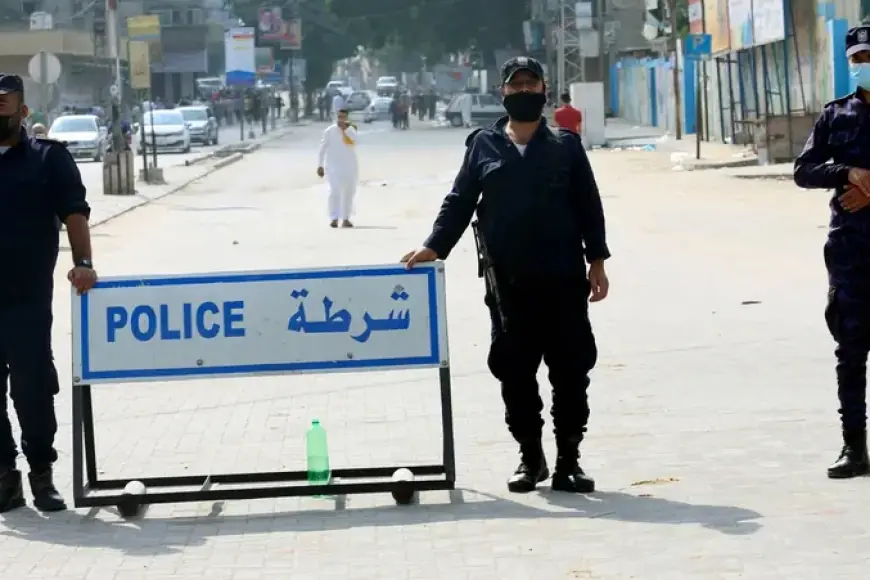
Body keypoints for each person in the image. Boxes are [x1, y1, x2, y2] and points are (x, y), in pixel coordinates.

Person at [400, 56, 610, 494]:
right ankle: (530, 458)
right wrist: (434, 246)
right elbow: (459, 201)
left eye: (531, 84)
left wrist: (597, 262)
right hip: (508, 284)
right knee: (514, 371)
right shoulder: (483, 145)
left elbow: (590, 205)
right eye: (516, 86)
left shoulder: (566, 146)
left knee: (570, 371)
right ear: (504, 93)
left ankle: (569, 461)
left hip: (563, 280)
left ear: (544, 90)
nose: (524, 91)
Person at [0, 74, 97, 513]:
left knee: (33, 386)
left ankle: (42, 473)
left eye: (6, 100)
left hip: (26, 297)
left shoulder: (48, 159)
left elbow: (74, 212)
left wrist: (84, 263)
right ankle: (5, 475)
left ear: (23, 110)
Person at [794, 24, 870, 479]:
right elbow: (804, 170)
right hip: (850, 249)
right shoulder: (835, 116)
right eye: (858, 60)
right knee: (851, 349)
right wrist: (847, 173)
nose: (864, 67)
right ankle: (853, 446)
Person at [317, 108, 359, 228]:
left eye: (343, 117)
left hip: (349, 167)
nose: (341, 119)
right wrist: (319, 165)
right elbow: (322, 148)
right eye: (339, 117)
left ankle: (345, 219)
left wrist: (346, 131)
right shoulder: (329, 131)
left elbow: (355, 142)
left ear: (347, 118)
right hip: (333, 167)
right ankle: (334, 218)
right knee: (334, 191)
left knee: (348, 192)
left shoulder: (352, 130)